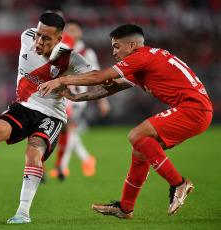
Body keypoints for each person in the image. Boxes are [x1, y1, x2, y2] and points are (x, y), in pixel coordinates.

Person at [38, 24, 213, 219]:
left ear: (132, 45)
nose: (113, 52)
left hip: (193, 110)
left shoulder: (141, 57)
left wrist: (61, 81)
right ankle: (125, 207)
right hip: (196, 111)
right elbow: (113, 87)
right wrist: (77, 98)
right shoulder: (144, 60)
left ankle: (178, 182)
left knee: (136, 134)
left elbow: (99, 76)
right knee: (140, 148)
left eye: (116, 46)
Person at [0, 13, 94, 224]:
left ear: (59, 39)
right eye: (39, 35)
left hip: (51, 115)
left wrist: (65, 82)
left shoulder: (71, 58)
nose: (39, 41)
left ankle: (23, 212)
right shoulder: (26, 36)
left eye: (46, 38)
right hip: (23, 105)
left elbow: (95, 76)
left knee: (33, 152)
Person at [49, 19, 110, 179]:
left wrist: (103, 100)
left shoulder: (87, 52)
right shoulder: (61, 49)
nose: (70, 31)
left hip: (76, 98)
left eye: (74, 29)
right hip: (61, 96)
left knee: (66, 129)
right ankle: (86, 159)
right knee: (66, 130)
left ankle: (62, 167)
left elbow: (99, 76)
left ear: (80, 32)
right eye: (67, 29)